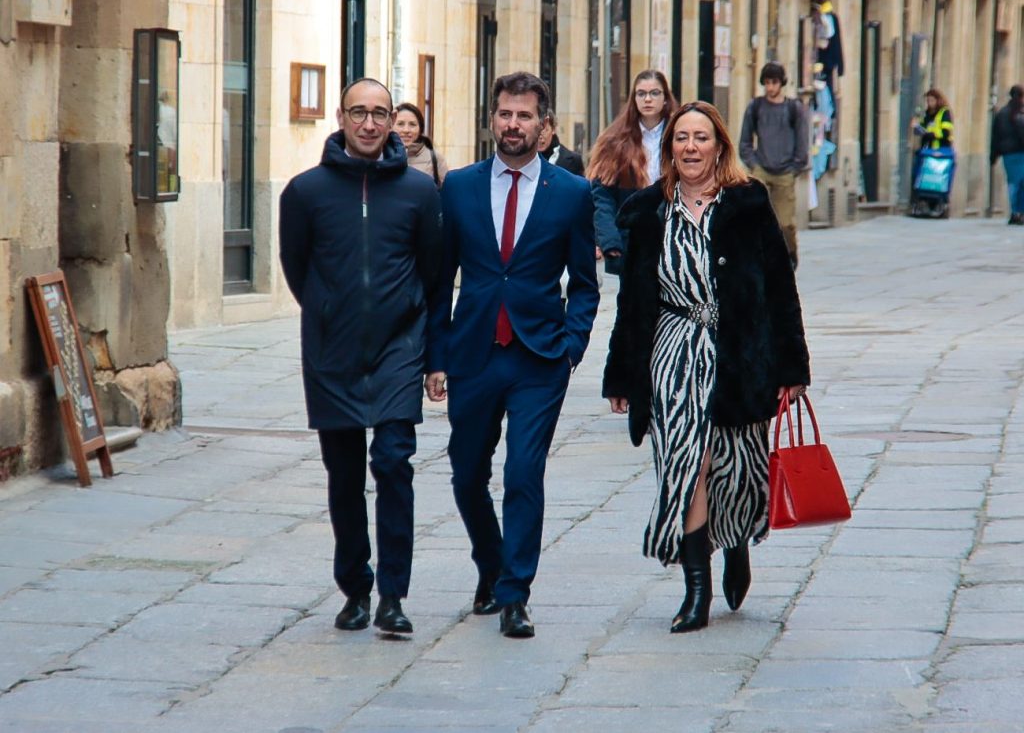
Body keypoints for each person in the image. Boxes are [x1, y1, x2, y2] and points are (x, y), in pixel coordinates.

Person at [603, 100, 810, 634]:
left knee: (734, 465)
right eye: (681, 138)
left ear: (719, 146)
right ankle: (696, 589)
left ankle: (736, 542)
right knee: (685, 461)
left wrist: (791, 367)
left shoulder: (747, 202)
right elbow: (632, 302)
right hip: (672, 352)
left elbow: (780, 288)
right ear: (670, 148)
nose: (690, 147)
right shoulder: (649, 212)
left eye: (701, 138)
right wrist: (621, 373)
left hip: (738, 352)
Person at [425, 72, 600, 639]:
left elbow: (585, 284)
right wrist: (435, 356)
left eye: (525, 116)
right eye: (505, 114)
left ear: (544, 126)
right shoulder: (459, 187)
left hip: (538, 358)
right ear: (491, 120)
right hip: (473, 353)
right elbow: (439, 280)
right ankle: (491, 562)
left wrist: (571, 348)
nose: (513, 124)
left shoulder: (570, 192)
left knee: (524, 471)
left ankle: (515, 594)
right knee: (466, 472)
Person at [279, 78, 442, 636]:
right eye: (358, 113)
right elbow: (298, 269)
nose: (369, 124)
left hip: (400, 348)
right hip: (333, 353)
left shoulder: (419, 193)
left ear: (393, 120)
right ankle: (354, 588)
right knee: (344, 475)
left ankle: (393, 595)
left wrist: (430, 352)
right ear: (341, 117)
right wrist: (329, 311)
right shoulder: (305, 192)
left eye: (379, 113)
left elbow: (434, 275)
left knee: (394, 464)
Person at [588, 70, 677, 276]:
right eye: (641, 93)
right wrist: (609, 240)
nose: (648, 99)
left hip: (672, 236)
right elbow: (602, 196)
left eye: (655, 93)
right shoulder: (616, 139)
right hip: (630, 241)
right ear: (633, 99)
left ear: (665, 98)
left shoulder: (679, 136)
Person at [739, 62, 809, 270]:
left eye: (774, 82)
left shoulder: (793, 108)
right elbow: (744, 141)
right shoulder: (756, 107)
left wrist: (795, 167)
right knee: (755, 217)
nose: (770, 87)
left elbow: (802, 141)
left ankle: (790, 254)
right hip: (761, 168)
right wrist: (753, 164)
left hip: (785, 171)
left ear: (782, 83)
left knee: (785, 223)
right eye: (767, 82)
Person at [393, 102, 449, 187]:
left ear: (420, 129)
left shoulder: (436, 159)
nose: (406, 130)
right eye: (400, 124)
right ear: (390, 126)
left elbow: (446, 192)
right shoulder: (381, 156)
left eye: (412, 124)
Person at [990, 85, 1024, 225]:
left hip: (1008, 154)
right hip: (1020, 153)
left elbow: (995, 137)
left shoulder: (1002, 113)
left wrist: (993, 155)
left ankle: (1015, 212)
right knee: (1021, 184)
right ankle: (1020, 212)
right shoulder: (1019, 113)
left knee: (1013, 183)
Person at [538, 111, 585, 176]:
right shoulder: (525, 159)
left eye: (544, 130)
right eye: (536, 130)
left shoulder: (574, 160)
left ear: (553, 129)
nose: (540, 136)